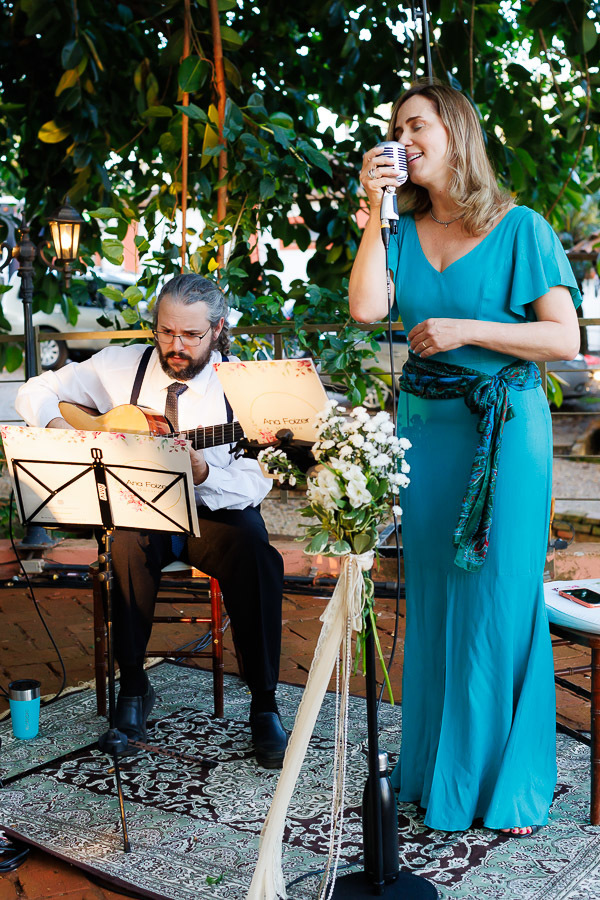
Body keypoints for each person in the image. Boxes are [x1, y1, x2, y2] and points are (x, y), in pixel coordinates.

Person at [349, 81, 581, 836]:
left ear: (455, 132)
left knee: (497, 597)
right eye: (395, 127)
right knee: (437, 597)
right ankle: (436, 770)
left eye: (417, 124)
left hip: (505, 429)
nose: (402, 138)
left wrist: (465, 329)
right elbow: (367, 309)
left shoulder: (521, 228)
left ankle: (501, 780)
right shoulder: (400, 228)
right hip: (427, 431)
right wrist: (375, 212)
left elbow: (565, 339)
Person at [15, 273, 288, 768]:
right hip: (143, 508)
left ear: (218, 329)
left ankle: (264, 703)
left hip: (215, 511)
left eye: (191, 335)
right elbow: (37, 389)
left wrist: (205, 473)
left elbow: (256, 483)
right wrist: (61, 430)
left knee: (256, 554)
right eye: (166, 331)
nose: (175, 346)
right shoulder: (118, 366)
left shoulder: (242, 387)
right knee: (125, 543)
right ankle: (135, 687)